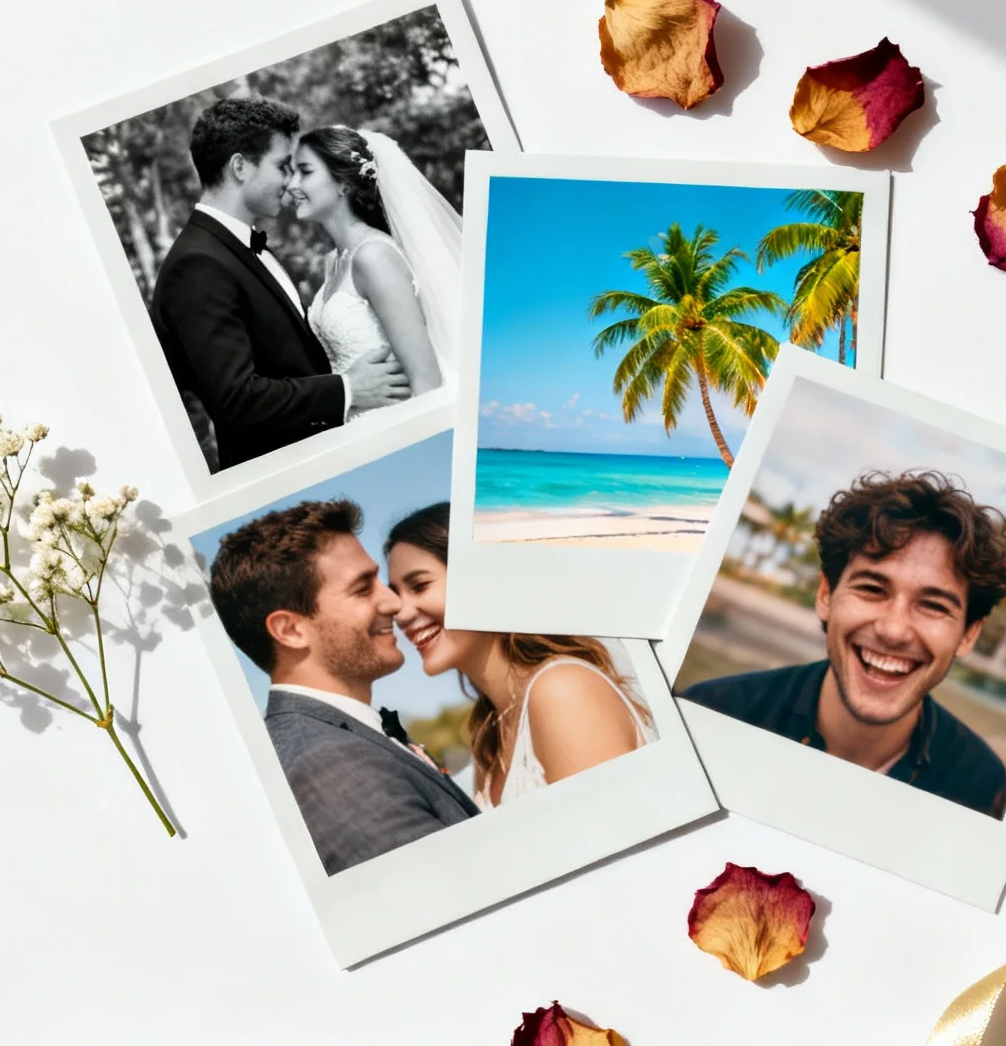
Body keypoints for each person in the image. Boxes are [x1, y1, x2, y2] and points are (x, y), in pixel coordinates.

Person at [680, 471, 1006, 818]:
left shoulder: (976, 782)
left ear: (968, 635)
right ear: (826, 595)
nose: (893, 630)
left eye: (933, 605)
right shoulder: (711, 714)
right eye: (872, 589)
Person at [207, 498, 476, 874]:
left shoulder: (334, 740)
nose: (394, 602)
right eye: (363, 589)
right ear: (291, 630)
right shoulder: (328, 764)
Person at [152, 98, 410, 471]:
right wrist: (348, 388)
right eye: (281, 166)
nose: (290, 181)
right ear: (240, 166)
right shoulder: (197, 265)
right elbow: (235, 399)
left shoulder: (240, 246)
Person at [384, 503, 655, 808]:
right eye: (395, 596)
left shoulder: (563, 691)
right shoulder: (490, 733)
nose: (401, 614)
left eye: (420, 586)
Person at [288, 125, 462, 398]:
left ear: (343, 183)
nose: (292, 185)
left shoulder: (374, 257)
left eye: (305, 172)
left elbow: (426, 380)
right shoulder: (333, 262)